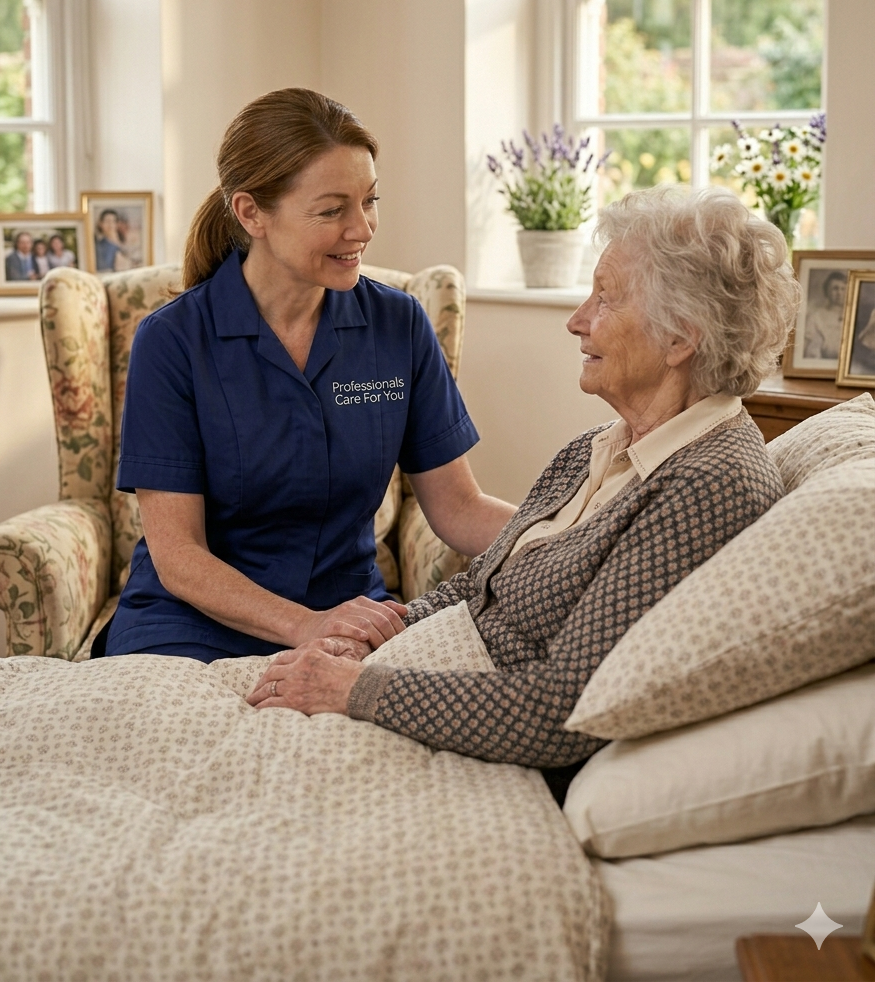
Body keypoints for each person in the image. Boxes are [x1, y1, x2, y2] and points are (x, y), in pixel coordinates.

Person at [247, 186, 799, 791]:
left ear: (679, 338)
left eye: (605, 299)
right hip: (414, 672)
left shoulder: (705, 486)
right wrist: (386, 629)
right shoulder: (599, 448)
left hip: (467, 731)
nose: (576, 320)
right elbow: (482, 584)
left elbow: (564, 706)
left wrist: (353, 688)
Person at [103, 88, 515, 663]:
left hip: (349, 616)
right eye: (332, 210)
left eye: (370, 200)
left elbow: (459, 509)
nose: (363, 228)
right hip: (189, 626)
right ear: (251, 213)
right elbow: (179, 557)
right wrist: (305, 626)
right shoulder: (172, 341)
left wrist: (576, 535)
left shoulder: (398, 324)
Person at [803, 271, 846, 359]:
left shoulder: (854, 316)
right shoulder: (816, 316)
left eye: (843, 289)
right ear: (827, 291)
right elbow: (809, 346)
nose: (839, 293)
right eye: (835, 288)